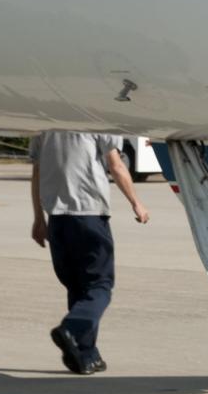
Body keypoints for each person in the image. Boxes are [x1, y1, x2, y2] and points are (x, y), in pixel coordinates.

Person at [30, 131, 150, 375]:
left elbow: (37, 174)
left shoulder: (43, 127)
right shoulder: (93, 119)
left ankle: (85, 355)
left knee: (78, 289)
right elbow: (115, 165)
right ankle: (72, 329)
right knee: (99, 287)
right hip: (88, 215)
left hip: (57, 220)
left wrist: (38, 219)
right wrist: (136, 202)